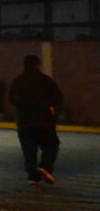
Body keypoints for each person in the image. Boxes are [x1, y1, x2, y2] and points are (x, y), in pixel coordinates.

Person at [8, 55, 63, 185]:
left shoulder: (18, 81)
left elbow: (11, 99)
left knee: (29, 150)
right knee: (51, 146)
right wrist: (54, 115)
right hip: (44, 122)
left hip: (24, 123)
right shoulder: (46, 80)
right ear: (38, 65)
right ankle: (45, 167)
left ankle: (33, 177)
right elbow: (58, 99)